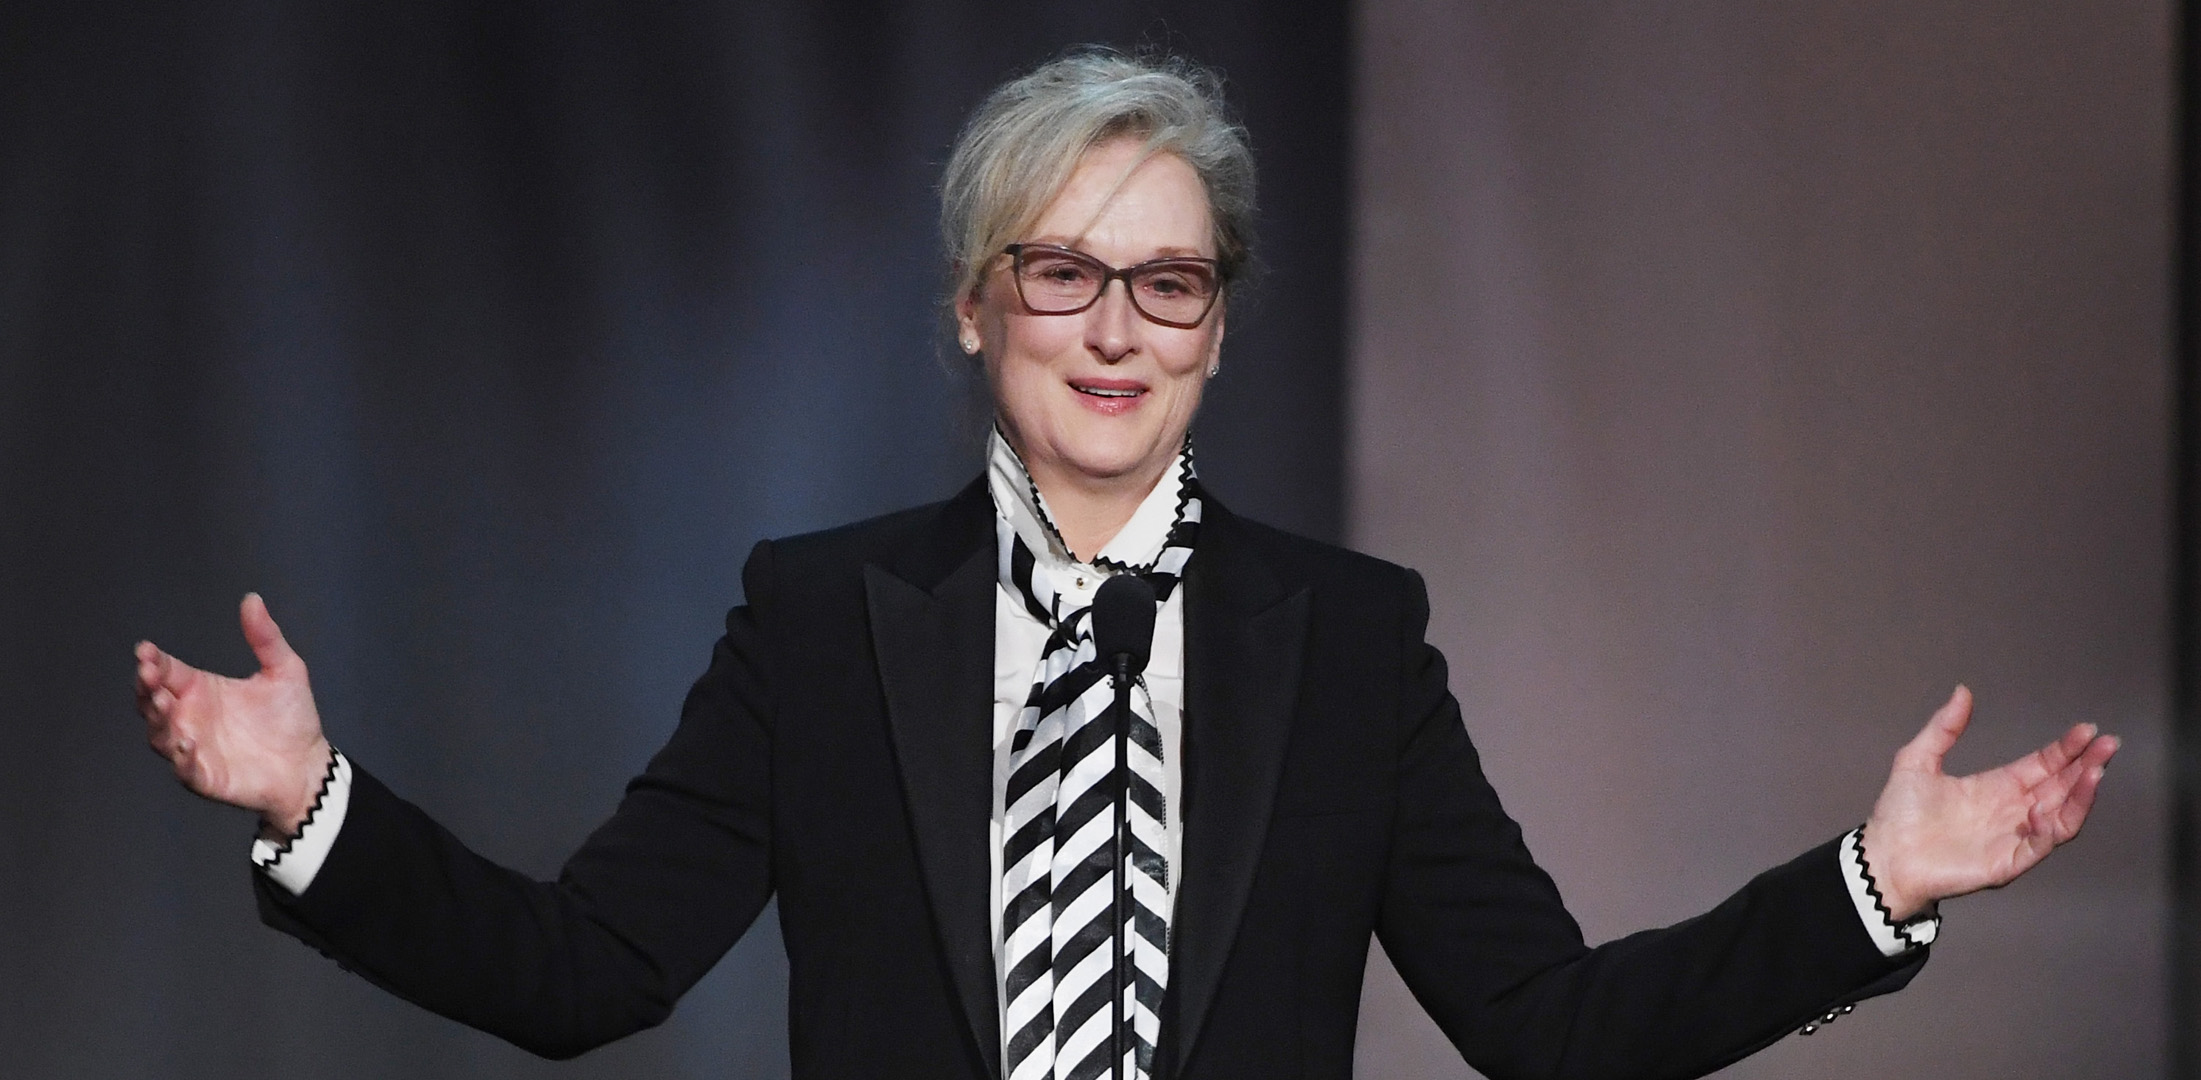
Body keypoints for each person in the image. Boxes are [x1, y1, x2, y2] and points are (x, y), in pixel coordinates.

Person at [133, 49, 2118, 1080]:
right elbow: (583, 976)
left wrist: (1875, 889)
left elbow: (1553, 1032)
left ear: (1219, 326)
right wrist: (312, 800)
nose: (1113, 326)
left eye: (1165, 279)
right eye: (1060, 272)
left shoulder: (1349, 643)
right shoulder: (823, 620)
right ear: (978, 312)